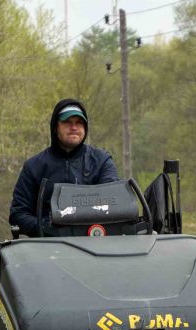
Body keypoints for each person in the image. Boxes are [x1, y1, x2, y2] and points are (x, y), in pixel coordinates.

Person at [9, 98, 118, 237]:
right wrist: (46, 228)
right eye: (67, 122)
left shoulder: (102, 161)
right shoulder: (34, 166)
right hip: (47, 248)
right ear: (55, 127)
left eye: (79, 123)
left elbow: (114, 205)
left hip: (95, 242)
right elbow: (18, 213)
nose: (74, 127)